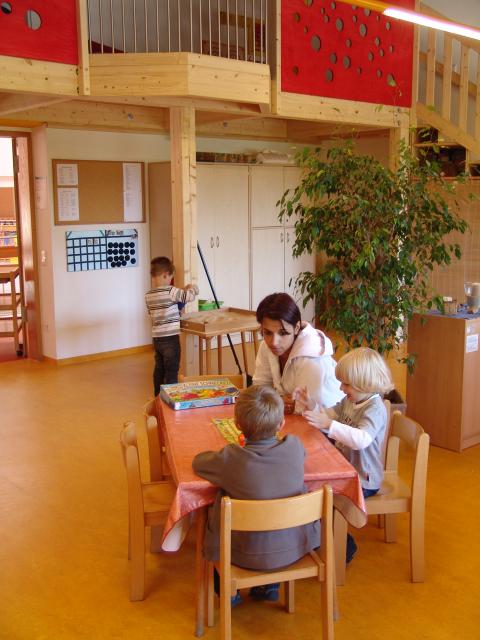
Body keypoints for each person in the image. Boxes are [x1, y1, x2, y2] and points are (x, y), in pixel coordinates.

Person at [192, 385, 320, 605]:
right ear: (281, 424)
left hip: (238, 554)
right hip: (293, 549)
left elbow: (198, 463)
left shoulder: (231, 459)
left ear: (237, 425)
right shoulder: (294, 447)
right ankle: (270, 586)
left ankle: (228, 594)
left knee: (215, 506)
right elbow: (301, 456)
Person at [296, 347, 394, 563]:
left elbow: (361, 439)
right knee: (314, 492)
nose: (341, 388)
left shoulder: (374, 408)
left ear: (364, 383)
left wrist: (329, 425)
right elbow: (328, 414)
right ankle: (322, 539)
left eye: (346, 384)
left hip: (363, 479)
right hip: (345, 470)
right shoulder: (350, 401)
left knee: (324, 500)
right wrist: (312, 405)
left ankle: (344, 548)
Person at [253, 292, 343, 413]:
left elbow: (305, 409)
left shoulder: (312, 358)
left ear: (296, 328)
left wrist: (277, 400)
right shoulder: (266, 345)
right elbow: (260, 390)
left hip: (328, 419)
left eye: (283, 333)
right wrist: (281, 400)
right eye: (268, 333)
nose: (274, 342)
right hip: (291, 415)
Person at [145, 256, 198, 395]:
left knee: (159, 369)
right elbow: (188, 296)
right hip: (170, 339)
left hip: (157, 339)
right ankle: (171, 397)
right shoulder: (171, 291)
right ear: (165, 275)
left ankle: (158, 396)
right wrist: (193, 289)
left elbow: (156, 311)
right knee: (172, 370)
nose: (171, 281)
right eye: (171, 278)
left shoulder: (148, 295)